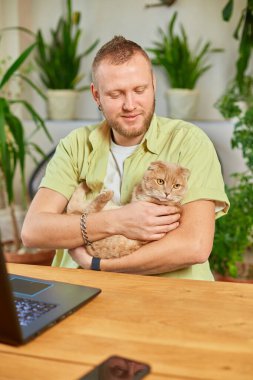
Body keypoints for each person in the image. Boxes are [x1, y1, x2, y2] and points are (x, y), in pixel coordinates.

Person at [21, 36, 229, 280]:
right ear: (96, 95)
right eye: (115, 94)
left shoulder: (189, 141)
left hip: (170, 299)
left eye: (139, 90)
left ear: (153, 85)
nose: (130, 105)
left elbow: (195, 245)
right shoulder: (75, 145)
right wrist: (118, 220)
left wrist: (98, 264)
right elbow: (34, 230)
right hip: (81, 291)